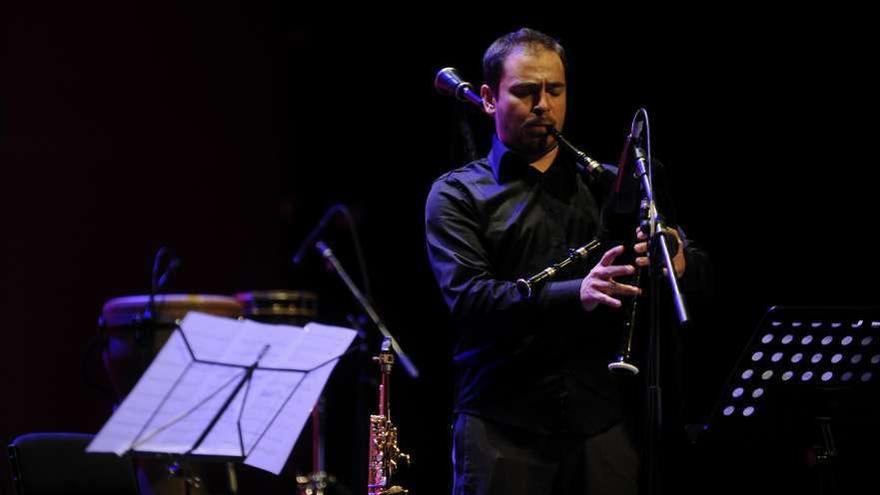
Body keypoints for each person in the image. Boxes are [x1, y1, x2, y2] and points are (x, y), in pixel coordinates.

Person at [425, 28, 708, 494]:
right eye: (525, 91)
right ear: (488, 98)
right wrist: (575, 293)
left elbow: (701, 279)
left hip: (603, 425)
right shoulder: (456, 194)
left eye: (554, 90)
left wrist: (678, 264)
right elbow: (469, 301)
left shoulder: (613, 185)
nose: (543, 104)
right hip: (501, 427)